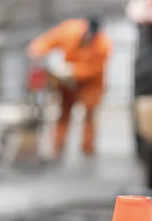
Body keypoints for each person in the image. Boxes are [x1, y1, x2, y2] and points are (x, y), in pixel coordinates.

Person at [27, 16, 111, 159]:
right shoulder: (69, 31)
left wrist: (73, 70)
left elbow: (95, 68)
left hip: (90, 84)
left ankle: (88, 148)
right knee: (64, 113)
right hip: (67, 83)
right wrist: (37, 51)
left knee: (89, 114)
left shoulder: (103, 45)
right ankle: (58, 147)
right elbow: (48, 40)